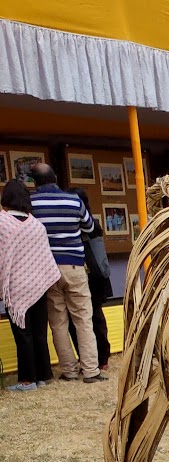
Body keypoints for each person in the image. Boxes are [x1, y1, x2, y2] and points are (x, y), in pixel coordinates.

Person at [28, 161, 104, 382]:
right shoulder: (73, 200)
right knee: (83, 318)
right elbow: (90, 228)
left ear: (35, 182)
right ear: (54, 177)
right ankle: (91, 370)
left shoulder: (31, 203)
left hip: (47, 269)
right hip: (74, 265)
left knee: (58, 321)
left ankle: (69, 371)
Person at [0, 177, 59, 390]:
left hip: (16, 286)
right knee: (39, 331)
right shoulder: (37, 225)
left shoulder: (2, 222)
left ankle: (27, 380)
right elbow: (44, 258)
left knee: (23, 334)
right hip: (38, 285)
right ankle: (43, 375)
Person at [77, 188, 112, 370]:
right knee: (94, 316)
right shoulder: (95, 224)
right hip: (97, 274)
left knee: (92, 316)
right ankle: (98, 357)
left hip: (91, 274)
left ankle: (101, 357)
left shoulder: (90, 225)